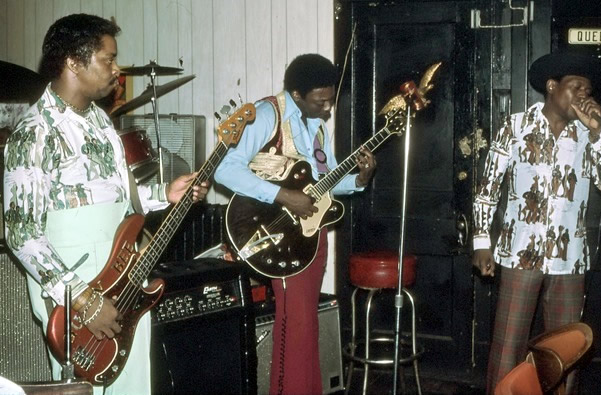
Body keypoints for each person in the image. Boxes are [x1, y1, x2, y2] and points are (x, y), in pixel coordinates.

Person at [3, 14, 209, 394]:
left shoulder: (100, 121)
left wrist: (165, 193)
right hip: (76, 291)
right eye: (108, 59)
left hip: (124, 275)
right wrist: (83, 300)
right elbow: (21, 234)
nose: (117, 69)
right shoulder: (34, 133)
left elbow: (113, 196)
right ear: (73, 62)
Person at [215, 53, 376, 394]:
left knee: (307, 328)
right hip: (275, 232)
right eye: (322, 101)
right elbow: (225, 170)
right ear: (297, 95)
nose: (328, 108)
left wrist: (359, 179)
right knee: (295, 325)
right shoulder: (264, 115)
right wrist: (283, 197)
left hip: (312, 234)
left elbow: (325, 180)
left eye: (331, 100)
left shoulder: (315, 125)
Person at [472, 49, 601, 394]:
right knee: (508, 346)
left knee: (565, 351)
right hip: (518, 254)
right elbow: (487, 188)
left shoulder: (590, 135)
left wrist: (599, 133)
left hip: (570, 259)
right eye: (577, 87)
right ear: (552, 87)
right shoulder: (515, 126)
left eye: (588, 89)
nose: (584, 95)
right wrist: (482, 240)